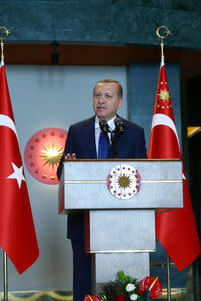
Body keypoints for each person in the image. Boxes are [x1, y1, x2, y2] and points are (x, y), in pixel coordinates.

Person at [57, 79, 147, 301]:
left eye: (108, 96)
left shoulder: (134, 132)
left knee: (120, 284)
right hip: (83, 224)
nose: (101, 100)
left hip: (125, 226)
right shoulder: (77, 131)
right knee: (84, 285)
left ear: (120, 101)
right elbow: (61, 174)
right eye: (97, 95)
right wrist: (68, 167)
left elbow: (143, 176)